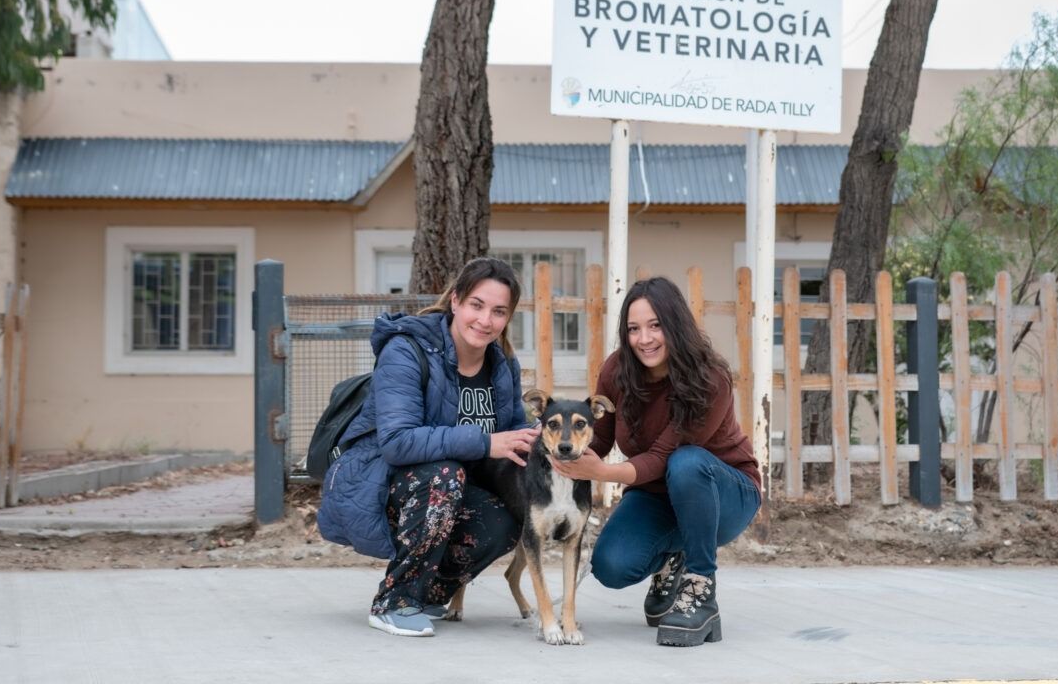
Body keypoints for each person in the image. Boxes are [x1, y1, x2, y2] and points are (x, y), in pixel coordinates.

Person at [317, 257, 539, 638]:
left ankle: (430, 592)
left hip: (448, 491)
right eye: (477, 305)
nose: (485, 320)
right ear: (455, 301)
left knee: (509, 516)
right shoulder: (406, 350)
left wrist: (544, 443)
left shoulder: (502, 364)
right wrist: (485, 442)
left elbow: (513, 433)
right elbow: (398, 442)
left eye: (499, 312)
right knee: (444, 474)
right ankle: (394, 601)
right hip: (380, 481)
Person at [549, 276, 761, 647]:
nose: (643, 339)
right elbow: (599, 437)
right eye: (633, 329)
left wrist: (602, 473)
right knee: (611, 566)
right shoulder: (616, 370)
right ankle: (671, 560)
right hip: (656, 494)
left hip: (725, 492)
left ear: (675, 325)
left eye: (655, 326)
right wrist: (565, 450)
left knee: (686, 462)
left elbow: (664, 457)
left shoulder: (710, 378)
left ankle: (700, 589)